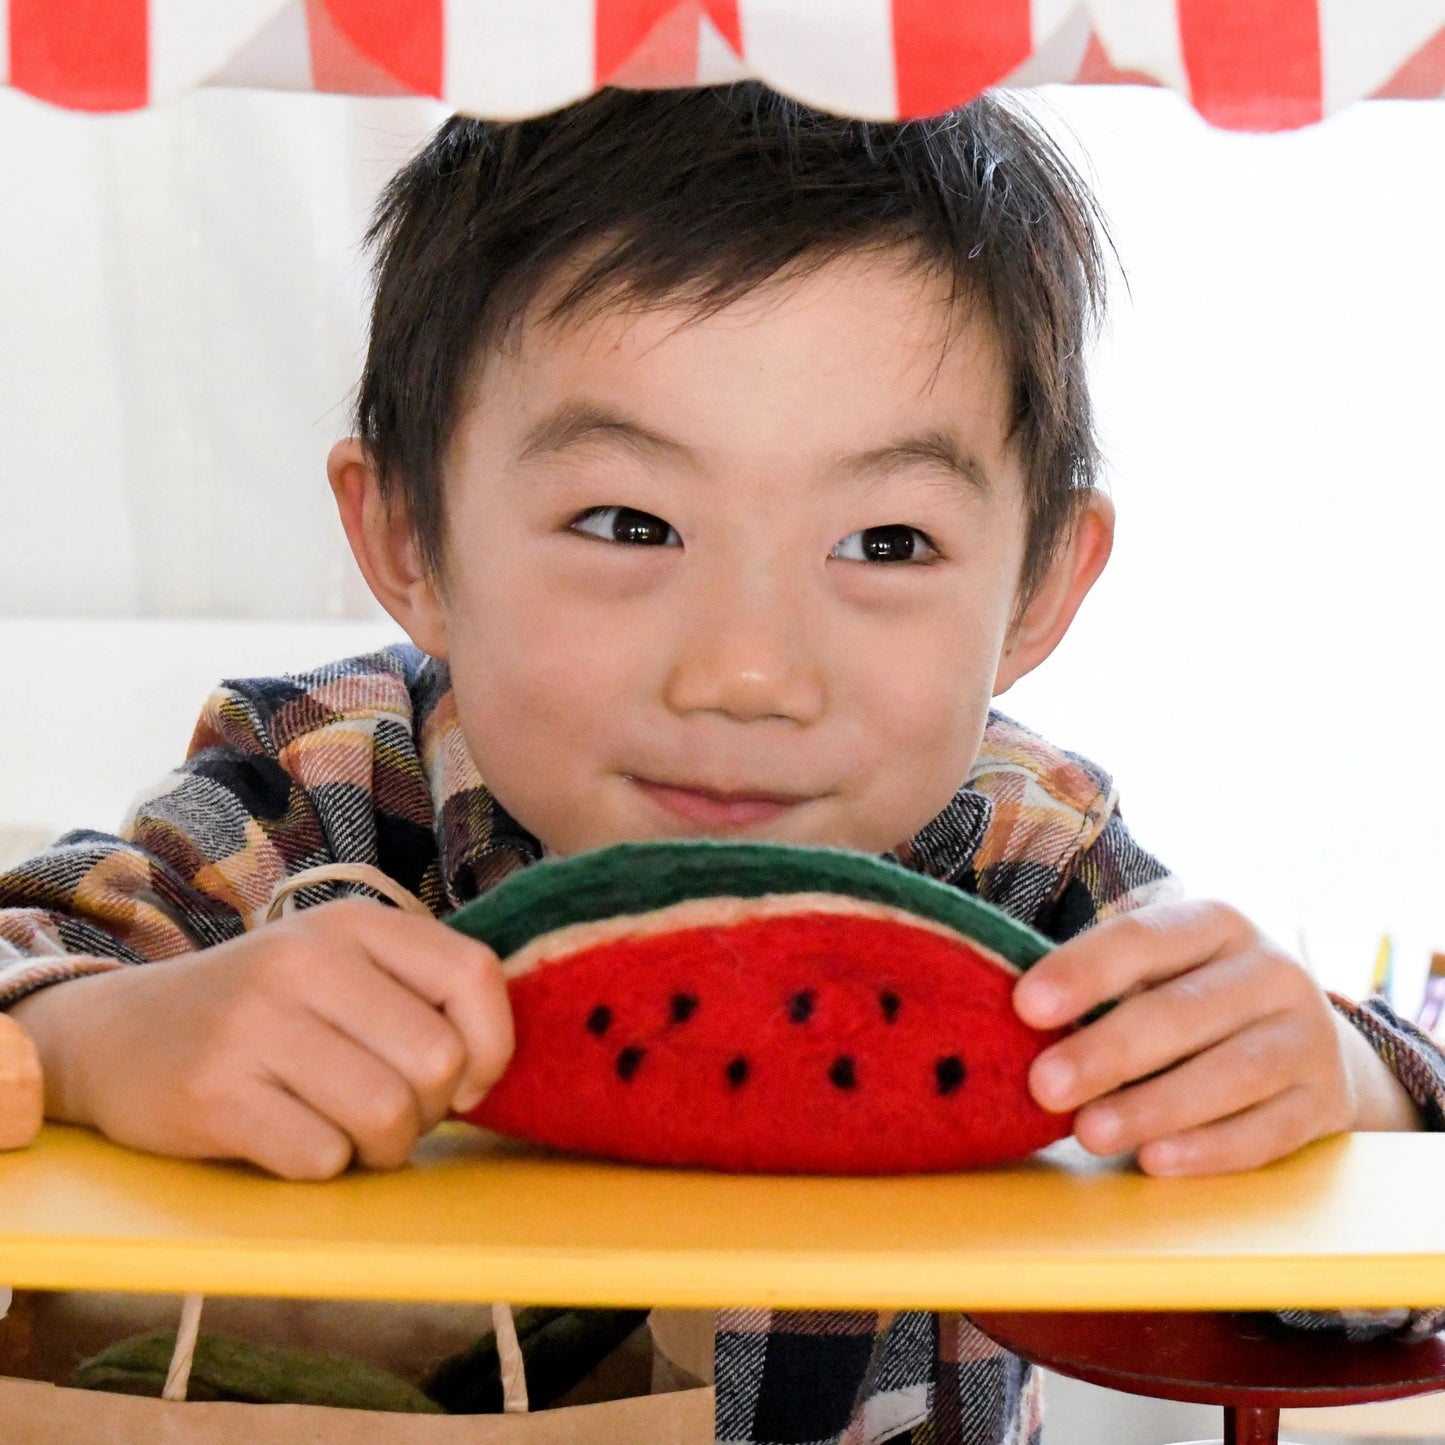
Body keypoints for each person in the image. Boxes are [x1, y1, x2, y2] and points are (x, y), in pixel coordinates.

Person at [1, 83, 1441, 1445]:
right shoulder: (311, 786)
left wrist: (1339, 1088)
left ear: (1040, 590)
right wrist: (103, 1042)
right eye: (629, 524)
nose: (748, 672)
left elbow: (1390, 1173)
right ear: (405, 539)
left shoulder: (1034, 858)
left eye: (884, 543)